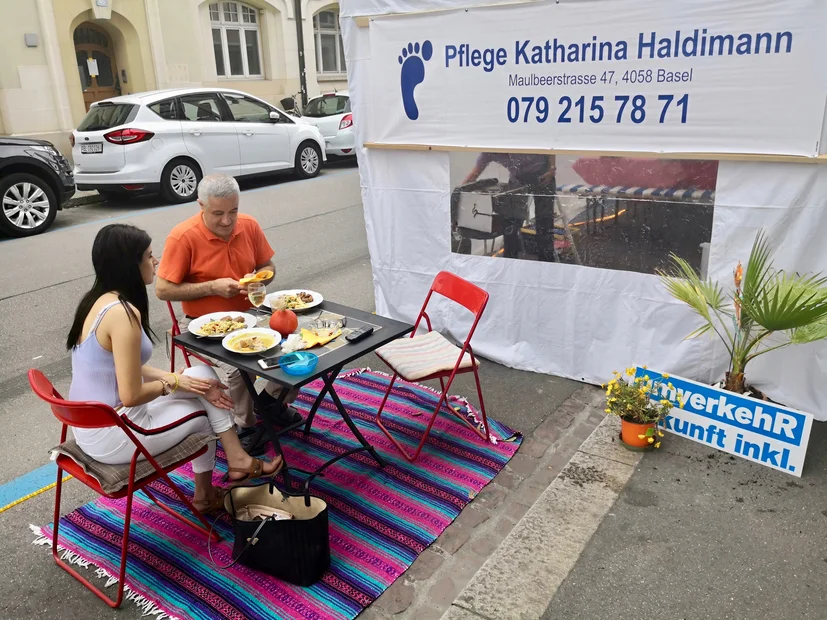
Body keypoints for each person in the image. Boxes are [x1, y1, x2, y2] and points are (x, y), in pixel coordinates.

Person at [67, 224, 282, 514]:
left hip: (95, 423)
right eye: (149, 256)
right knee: (206, 407)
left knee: (202, 375)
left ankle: (236, 460)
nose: (154, 262)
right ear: (129, 264)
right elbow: (131, 394)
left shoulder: (96, 300)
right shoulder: (122, 314)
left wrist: (177, 379)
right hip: (115, 433)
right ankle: (209, 491)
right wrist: (174, 384)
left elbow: (120, 369)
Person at [155, 174, 298, 455]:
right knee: (239, 368)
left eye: (232, 211)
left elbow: (268, 265)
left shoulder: (248, 225)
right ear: (201, 206)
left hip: (249, 315)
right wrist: (213, 287)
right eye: (218, 213)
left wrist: (258, 279)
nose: (226, 221)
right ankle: (244, 424)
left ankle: (271, 403)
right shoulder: (183, 236)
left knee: (293, 346)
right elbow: (162, 290)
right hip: (201, 325)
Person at [462, 153, 557, 262]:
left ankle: (547, 262)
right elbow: (474, 174)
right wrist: (459, 193)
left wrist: (551, 170)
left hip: (543, 174)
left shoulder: (517, 140)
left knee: (544, 224)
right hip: (518, 178)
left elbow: (549, 146)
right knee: (510, 225)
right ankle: (509, 261)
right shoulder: (490, 152)